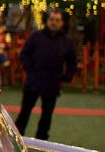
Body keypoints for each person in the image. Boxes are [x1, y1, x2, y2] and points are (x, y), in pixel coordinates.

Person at [15, 9, 78, 141]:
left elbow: (72, 62)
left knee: (46, 116)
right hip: (34, 81)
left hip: (52, 83)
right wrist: (30, 70)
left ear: (62, 23)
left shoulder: (66, 41)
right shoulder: (36, 36)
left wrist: (66, 78)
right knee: (24, 112)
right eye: (51, 19)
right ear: (47, 21)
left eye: (57, 20)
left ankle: (41, 143)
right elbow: (24, 54)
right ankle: (16, 139)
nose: (53, 22)